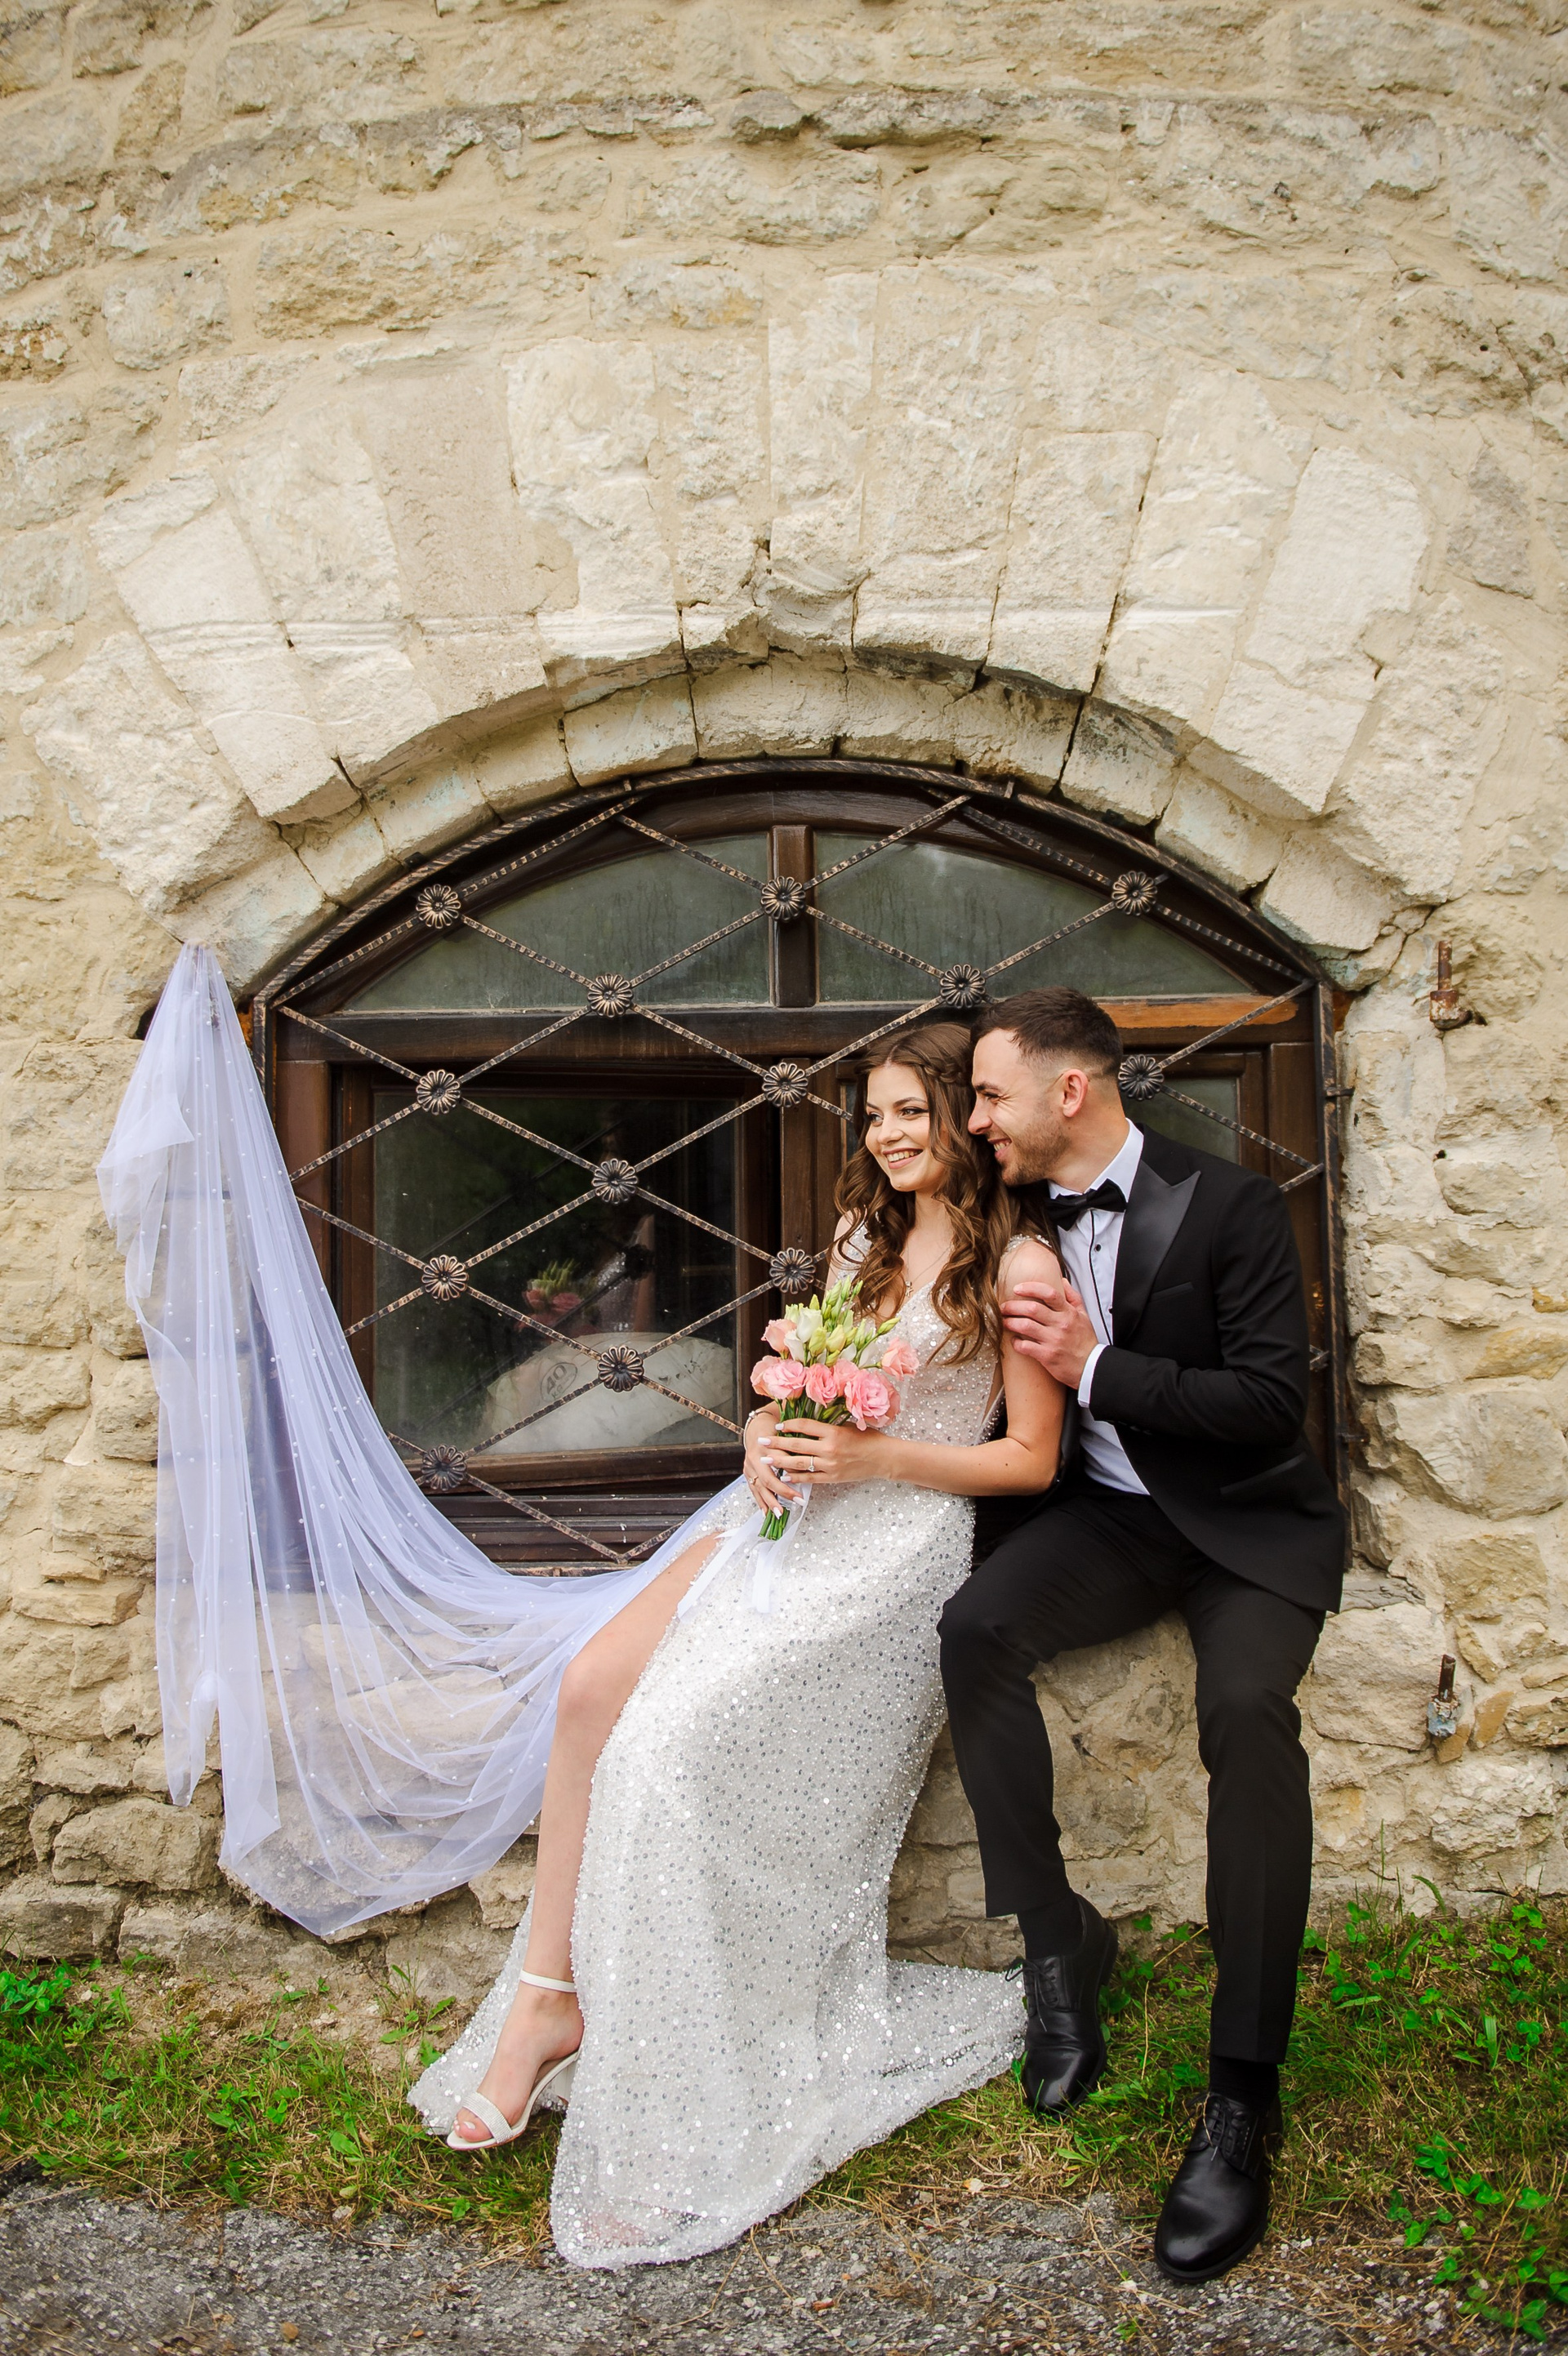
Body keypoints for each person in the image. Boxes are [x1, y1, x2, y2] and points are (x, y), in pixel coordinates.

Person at [410, 1022, 1067, 2267]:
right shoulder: (866, 1237)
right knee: (591, 1685)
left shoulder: (1020, 1261)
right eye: (873, 1114)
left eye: (912, 1110)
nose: (888, 1133)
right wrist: (767, 1435)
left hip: (893, 1553)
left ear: (963, 1115)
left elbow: (1029, 1459)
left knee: (659, 1757)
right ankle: (546, 1999)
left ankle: (667, 2105)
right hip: (791, 1512)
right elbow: (797, 1385)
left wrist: (877, 1457)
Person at [938, 986, 1346, 2287]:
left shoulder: (1233, 1204)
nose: (974, 1118)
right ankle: (1060, 1942)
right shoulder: (1009, 1214)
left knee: (1246, 1713)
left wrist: (1096, 1366)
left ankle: (1242, 2096)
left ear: (1071, 1089)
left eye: (989, 1094)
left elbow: (1271, 1402)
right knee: (975, 1628)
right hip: (1113, 1521)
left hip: (1244, 1529)